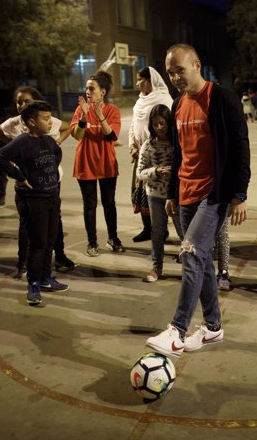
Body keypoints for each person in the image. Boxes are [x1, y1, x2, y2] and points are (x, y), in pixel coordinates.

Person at [146, 43, 250, 357]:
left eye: (180, 69)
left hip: (214, 195)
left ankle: (177, 331)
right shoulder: (177, 106)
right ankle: (213, 327)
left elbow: (240, 147)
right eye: (170, 72)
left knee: (190, 254)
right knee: (201, 260)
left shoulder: (222, 99)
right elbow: (180, 155)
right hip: (186, 195)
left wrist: (239, 195)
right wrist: (173, 194)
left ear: (197, 65)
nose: (176, 76)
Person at [0, 101, 68, 306]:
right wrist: (18, 174)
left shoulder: (47, 140)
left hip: (51, 197)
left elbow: (57, 153)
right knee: (38, 244)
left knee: (50, 240)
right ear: (31, 121)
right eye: (45, 118)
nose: (50, 121)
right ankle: (33, 283)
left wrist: (49, 171)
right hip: (33, 200)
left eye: (50, 117)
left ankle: (45, 278)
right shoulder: (22, 141)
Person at [0, 86, 75, 275]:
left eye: (26, 101)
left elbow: (66, 131)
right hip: (29, 186)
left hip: (50, 183)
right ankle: (25, 264)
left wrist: (57, 145)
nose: (21, 104)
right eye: (19, 101)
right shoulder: (17, 130)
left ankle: (57, 259)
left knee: (53, 224)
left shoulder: (44, 125)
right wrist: (15, 155)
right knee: (29, 227)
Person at [71, 71, 125, 256]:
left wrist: (99, 115)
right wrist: (84, 117)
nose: (87, 91)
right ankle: (92, 243)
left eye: (91, 88)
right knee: (90, 205)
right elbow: (77, 135)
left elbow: (112, 136)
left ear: (102, 91)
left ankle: (113, 238)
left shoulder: (113, 111)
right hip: (85, 163)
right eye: (86, 88)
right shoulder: (80, 110)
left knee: (109, 203)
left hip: (106, 164)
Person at [137, 104, 183, 282]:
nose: (159, 128)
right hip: (155, 195)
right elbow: (140, 172)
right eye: (155, 124)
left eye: (162, 123)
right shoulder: (148, 145)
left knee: (184, 232)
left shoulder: (177, 143)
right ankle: (157, 268)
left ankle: (190, 267)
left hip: (177, 195)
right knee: (157, 232)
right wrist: (156, 171)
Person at [129, 67, 174, 244]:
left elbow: (168, 126)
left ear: (150, 81)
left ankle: (161, 230)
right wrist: (133, 145)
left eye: (140, 79)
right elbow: (134, 125)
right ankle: (148, 229)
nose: (137, 83)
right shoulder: (140, 101)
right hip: (141, 154)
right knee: (141, 194)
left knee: (160, 196)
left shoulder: (164, 99)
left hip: (159, 154)